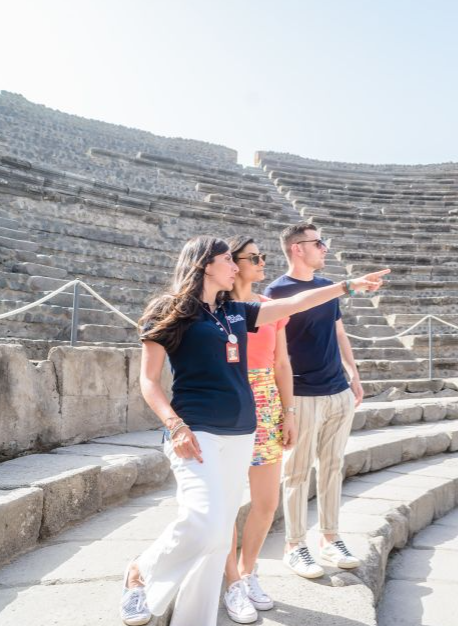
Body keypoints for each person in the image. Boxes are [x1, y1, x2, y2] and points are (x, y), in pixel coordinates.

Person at [118, 235, 388, 626]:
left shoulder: (235, 312)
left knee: (218, 536)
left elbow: (295, 303)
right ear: (205, 264)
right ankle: (140, 572)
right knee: (205, 522)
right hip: (196, 431)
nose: (235, 266)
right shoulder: (169, 310)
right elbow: (148, 380)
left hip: (242, 432)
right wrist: (174, 425)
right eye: (228, 260)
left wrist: (347, 286)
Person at [264, 222, 368, 579]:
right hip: (302, 393)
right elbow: (275, 350)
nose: (325, 248)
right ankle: (294, 545)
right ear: (297, 248)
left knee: (333, 467)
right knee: (297, 471)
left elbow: (339, 332)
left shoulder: (327, 287)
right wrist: (285, 404)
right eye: (318, 243)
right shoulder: (276, 292)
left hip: (337, 390)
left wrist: (353, 373)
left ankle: (330, 538)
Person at [221, 235, 296, 623]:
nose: (262, 262)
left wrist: (289, 412)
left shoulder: (270, 308)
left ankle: (248, 571)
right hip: (229, 398)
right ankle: (231, 580)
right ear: (233, 264)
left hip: (266, 399)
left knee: (266, 502)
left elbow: (282, 363)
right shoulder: (215, 309)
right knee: (227, 502)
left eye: (263, 256)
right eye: (254, 257)